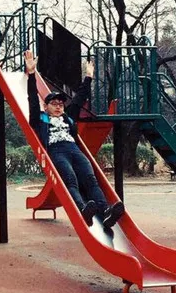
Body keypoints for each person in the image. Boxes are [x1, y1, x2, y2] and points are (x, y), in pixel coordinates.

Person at [25, 50, 124, 229]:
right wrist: (32, 74)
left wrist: (89, 77)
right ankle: (82, 208)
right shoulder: (39, 119)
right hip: (56, 150)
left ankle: (105, 212)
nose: (58, 106)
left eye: (61, 104)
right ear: (45, 106)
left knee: (90, 179)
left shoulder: (68, 117)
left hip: (74, 149)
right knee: (70, 178)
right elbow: (32, 98)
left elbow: (79, 99)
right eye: (53, 104)